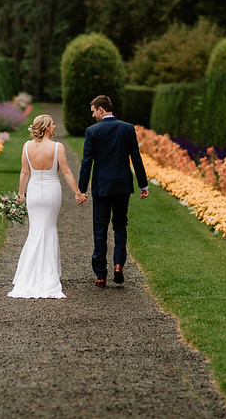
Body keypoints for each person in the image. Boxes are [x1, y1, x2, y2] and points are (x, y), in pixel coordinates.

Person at [8, 114, 87, 298]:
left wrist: (21, 194)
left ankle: (29, 273)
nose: (55, 126)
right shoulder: (58, 147)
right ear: (45, 128)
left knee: (35, 230)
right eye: (52, 124)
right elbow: (66, 171)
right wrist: (77, 192)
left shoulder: (27, 147)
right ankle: (49, 274)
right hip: (52, 192)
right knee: (49, 228)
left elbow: (24, 172)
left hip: (34, 192)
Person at [78, 95, 149, 288]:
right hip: (122, 186)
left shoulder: (92, 131)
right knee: (119, 225)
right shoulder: (127, 128)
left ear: (101, 109)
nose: (93, 115)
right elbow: (136, 157)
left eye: (93, 111)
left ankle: (101, 275)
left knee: (100, 228)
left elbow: (87, 162)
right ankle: (118, 263)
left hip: (101, 187)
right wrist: (143, 184)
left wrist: (81, 189)